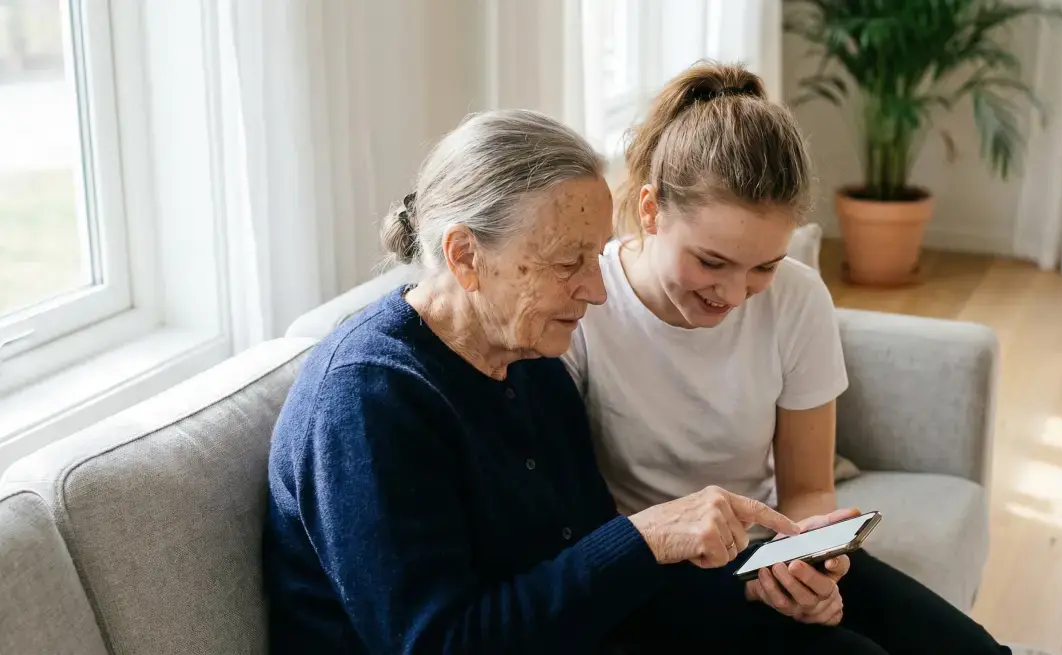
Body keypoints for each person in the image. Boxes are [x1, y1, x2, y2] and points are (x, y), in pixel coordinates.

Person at [262, 108, 865, 654]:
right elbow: (438, 643)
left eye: (596, 255)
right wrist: (644, 536)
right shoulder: (368, 400)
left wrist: (759, 594)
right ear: (466, 256)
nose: (598, 290)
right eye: (566, 262)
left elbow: (584, 576)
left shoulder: (531, 357)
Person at [564, 61, 1012, 654]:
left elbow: (805, 490)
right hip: (655, 574)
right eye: (711, 261)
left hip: (767, 554)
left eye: (763, 267)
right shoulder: (586, 309)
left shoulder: (798, 299)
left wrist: (812, 563)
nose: (732, 294)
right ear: (651, 211)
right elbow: (572, 526)